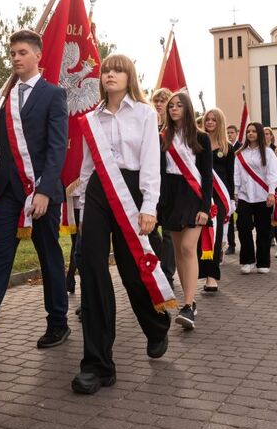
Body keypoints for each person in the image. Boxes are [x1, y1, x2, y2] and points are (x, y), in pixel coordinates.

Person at [71, 54, 172, 395]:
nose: (110, 74)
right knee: (93, 270)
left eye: (117, 70)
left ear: (130, 77)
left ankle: (156, 325)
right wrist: (83, 210)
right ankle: (98, 365)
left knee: (132, 273)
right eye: (106, 70)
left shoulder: (144, 114)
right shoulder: (91, 119)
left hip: (130, 192)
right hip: (99, 192)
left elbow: (150, 163)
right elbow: (87, 168)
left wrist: (149, 206)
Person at [0, 30, 69, 353]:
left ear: (37, 56)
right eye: (13, 52)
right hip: (8, 193)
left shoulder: (54, 95)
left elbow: (58, 148)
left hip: (42, 193)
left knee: (49, 258)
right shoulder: (7, 98)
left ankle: (58, 321)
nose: (15, 57)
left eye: (22, 52)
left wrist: (43, 190)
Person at [159, 91, 212, 329]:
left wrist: (205, 207)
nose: (173, 109)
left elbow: (208, 175)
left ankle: (189, 305)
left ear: (187, 108)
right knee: (179, 251)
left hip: (193, 195)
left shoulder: (201, 137)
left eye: (179, 105)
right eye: (171, 106)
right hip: (170, 195)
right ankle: (187, 301)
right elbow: (159, 171)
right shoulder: (162, 136)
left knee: (189, 248)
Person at [234, 122, 277, 274]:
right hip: (244, 196)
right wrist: (235, 192)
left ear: (259, 133)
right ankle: (247, 260)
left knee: (263, 230)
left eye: (254, 131)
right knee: (243, 227)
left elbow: (273, 173)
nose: (251, 133)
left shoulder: (268, 153)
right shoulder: (240, 153)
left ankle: (263, 262)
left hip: (263, 196)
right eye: (248, 131)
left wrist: (272, 192)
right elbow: (236, 175)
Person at [199, 108, 233, 292]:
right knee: (198, 236)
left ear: (219, 123)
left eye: (213, 120)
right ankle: (198, 271)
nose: (210, 122)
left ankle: (212, 276)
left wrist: (232, 199)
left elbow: (230, 175)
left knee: (215, 235)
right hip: (200, 194)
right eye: (207, 119)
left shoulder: (227, 147)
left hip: (219, 197)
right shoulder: (197, 143)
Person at [149, 88, 177, 287]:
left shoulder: (174, 128)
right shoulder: (148, 123)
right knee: (149, 229)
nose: (159, 104)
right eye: (156, 101)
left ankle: (167, 274)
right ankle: (161, 260)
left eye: (163, 101)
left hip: (170, 185)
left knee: (168, 232)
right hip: (151, 183)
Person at [224, 123, 241, 255]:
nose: (229, 135)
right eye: (228, 132)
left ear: (236, 133)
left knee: (241, 218)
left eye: (232, 133)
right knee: (228, 217)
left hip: (240, 185)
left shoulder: (241, 147)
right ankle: (231, 244)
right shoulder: (224, 145)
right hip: (228, 184)